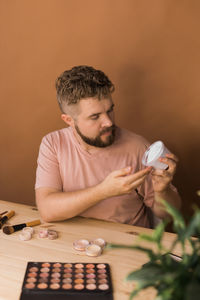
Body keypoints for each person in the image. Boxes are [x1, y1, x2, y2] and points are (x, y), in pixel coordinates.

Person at [35, 65, 181, 227]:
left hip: (127, 245)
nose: (109, 122)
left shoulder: (138, 147)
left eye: (110, 110)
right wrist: (104, 191)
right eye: (95, 116)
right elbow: (47, 210)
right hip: (74, 242)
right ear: (69, 120)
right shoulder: (54, 144)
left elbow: (168, 216)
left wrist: (162, 191)